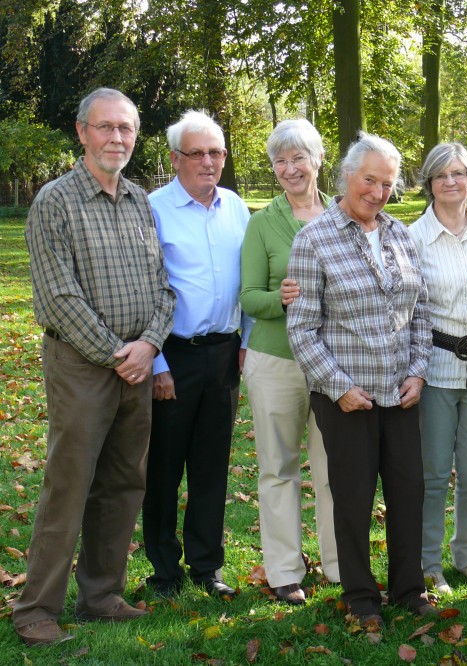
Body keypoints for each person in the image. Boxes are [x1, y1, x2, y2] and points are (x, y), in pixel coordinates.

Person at [14, 88, 175, 646]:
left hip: (136, 360)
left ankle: (102, 594)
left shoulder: (140, 201)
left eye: (126, 129)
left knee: (123, 483)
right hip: (83, 365)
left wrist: (149, 345)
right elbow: (58, 297)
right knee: (70, 484)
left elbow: (163, 287)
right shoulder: (54, 202)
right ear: (82, 132)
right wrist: (119, 354)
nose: (117, 138)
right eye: (105, 127)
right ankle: (36, 609)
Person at [286, 132, 436, 629]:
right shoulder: (314, 239)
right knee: (352, 495)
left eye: (387, 184)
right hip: (347, 396)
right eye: (368, 179)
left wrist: (419, 371)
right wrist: (338, 386)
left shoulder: (399, 234)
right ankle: (360, 594)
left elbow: (420, 313)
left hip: (401, 393)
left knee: (408, 490)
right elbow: (302, 329)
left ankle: (409, 588)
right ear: (347, 176)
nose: (376, 191)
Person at [144, 110, 251, 599]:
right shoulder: (152, 209)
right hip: (173, 355)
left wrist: (245, 343)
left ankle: (207, 567)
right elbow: (146, 290)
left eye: (217, 152)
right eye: (198, 153)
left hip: (224, 354)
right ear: (174, 159)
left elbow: (248, 282)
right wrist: (158, 364)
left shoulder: (236, 208)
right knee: (165, 467)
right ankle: (164, 569)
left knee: (211, 466)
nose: (209, 162)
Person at [239, 119, 339, 605]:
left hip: (336, 364)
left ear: (319, 160)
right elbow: (248, 298)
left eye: (299, 157)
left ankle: (341, 564)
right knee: (278, 467)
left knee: (335, 467)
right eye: (280, 160)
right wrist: (278, 297)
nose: (289, 168)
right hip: (275, 361)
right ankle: (284, 571)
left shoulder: (343, 215)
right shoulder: (262, 222)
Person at [409, 143, 467, 595]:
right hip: (433, 367)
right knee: (431, 474)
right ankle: (428, 563)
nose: (451, 182)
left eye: (460, 173)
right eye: (442, 175)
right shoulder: (411, 237)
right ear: (428, 182)